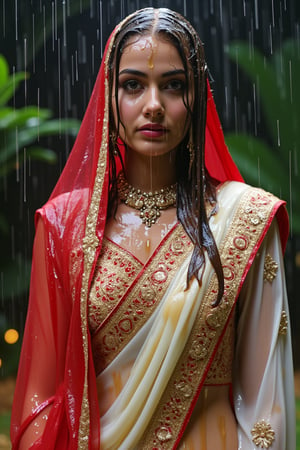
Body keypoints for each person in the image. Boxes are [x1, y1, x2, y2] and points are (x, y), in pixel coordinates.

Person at [10, 7, 296, 450]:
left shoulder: (246, 219)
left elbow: (266, 409)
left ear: (197, 97)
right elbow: (39, 400)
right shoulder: (64, 225)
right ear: (109, 97)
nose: (154, 106)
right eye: (133, 85)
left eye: (174, 85)